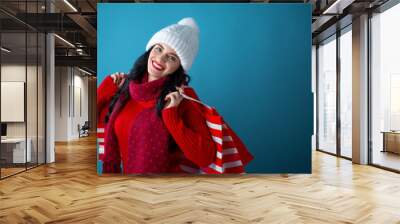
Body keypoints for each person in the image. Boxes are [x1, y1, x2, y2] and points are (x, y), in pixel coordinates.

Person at [97, 17, 253, 174]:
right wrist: (107, 87)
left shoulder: (182, 99)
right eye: (159, 48)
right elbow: (91, 119)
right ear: (150, 49)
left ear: (179, 67)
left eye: (172, 57)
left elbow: (205, 156)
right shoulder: (125, 89)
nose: (161, 58)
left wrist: (171, 115)